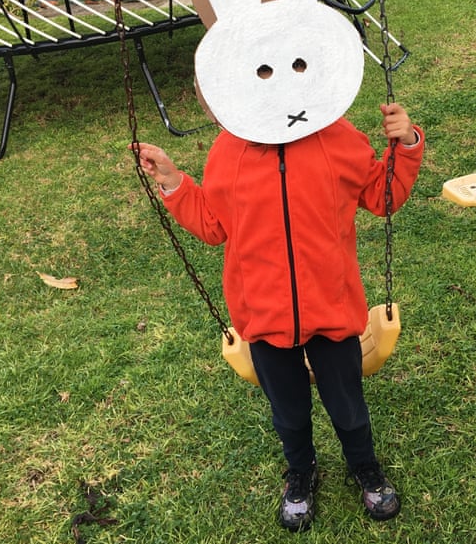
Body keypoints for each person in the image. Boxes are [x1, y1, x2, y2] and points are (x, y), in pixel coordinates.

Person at [131, 101, 424, 531]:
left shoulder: (338, 138)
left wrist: (407, 143)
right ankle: (301, 474)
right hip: (264, 319)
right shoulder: (228, 153)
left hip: (332, 311)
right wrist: (175, 182)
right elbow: (213, 224)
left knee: (348, 407)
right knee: (288, 413)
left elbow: (383, 196)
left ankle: (364, 466)